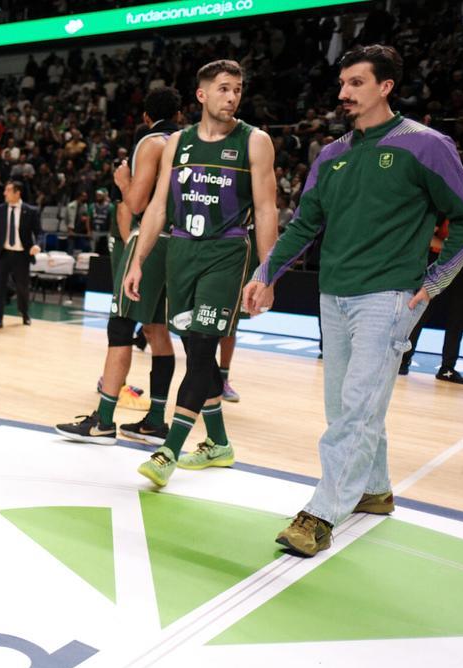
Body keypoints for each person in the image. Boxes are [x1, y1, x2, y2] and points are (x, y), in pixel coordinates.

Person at [244, 45, 463, 557]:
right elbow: (305, 224)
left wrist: (433, 283)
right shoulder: (332, 154)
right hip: (333, 294)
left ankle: (320, 514)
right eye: (342, 83)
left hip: (389, 297)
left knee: (357, 408)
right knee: (350, 405)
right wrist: (268, 272)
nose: (343, 93)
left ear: (386, 87)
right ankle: (374, 489)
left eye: (356, 83)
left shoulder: (426, 146)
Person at [124, 60, 279, 486]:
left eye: (238, 90)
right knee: (197, 351)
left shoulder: (256, 141)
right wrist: (138, 260)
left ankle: (168, 450)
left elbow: (267, 209)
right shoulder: (177, 142)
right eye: (225, 89)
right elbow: (157, 205)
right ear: (202, 95)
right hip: (180, 254)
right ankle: (220, 444)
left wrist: (267, 272)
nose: (233, 97)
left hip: (226, 254)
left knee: (202, 346)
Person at [56, 87, 182, 446]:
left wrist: (123, 181)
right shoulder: (186, 140)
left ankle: (104, 421)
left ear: (146, 116)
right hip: (179, 243)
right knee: (158, 330)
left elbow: (138, 201)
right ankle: (156, 420)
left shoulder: (150, 141)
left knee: (121, 326)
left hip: (151, 240)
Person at [400, 219, 463, 383]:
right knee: (422, 311)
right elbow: (427, 235)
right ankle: (403, 359)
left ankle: (447, 368)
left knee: (457, 318)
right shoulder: (446, 206)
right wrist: (456, 248)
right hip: (436, 261)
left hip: (461, 268)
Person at [0, 180, 41, 328]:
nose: (5, 193)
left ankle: (24, 313)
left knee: (22, 287)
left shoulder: (31, 211)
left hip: (21, 255)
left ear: (17, 193)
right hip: (2, 254)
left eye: (8, 190)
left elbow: (39, 232)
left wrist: (37, 245)